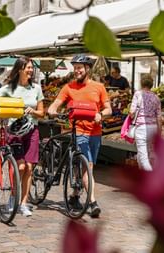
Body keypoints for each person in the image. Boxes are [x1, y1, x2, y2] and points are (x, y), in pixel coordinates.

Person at [0, 56, 44, 217]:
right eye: (28, 67)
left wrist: (33, 111)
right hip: (13, 131)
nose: (31, 70)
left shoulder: (36, 88)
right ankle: (13, 196)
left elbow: (42, 112)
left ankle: (24, 203)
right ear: (20, 69)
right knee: (20, 166)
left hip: (31, 130)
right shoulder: (9, 88)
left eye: (31, 68)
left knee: (29, 167)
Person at [48, 54, 112, 218]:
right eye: (75, 68)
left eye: (79, 68)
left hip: (95, 133)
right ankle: (92, 202)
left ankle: (75, 195)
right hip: (79, 132)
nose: (76, 71)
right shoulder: (68, 87)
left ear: (87, 69)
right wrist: (52, 110)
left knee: (86, 167)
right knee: (87, 166)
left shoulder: (99, 87)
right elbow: (56, 104)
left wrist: (101, 115)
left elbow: (108, 109)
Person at [129, 74, 162, 171]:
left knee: (143, 157)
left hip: (142, 128)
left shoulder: (137, 94)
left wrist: (131, 116)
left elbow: (132, 112)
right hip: (153, 128)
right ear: (152, 84)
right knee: (148, 153)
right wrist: (159, 132)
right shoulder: (156, 97)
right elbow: (159, 117)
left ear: (141, 83)